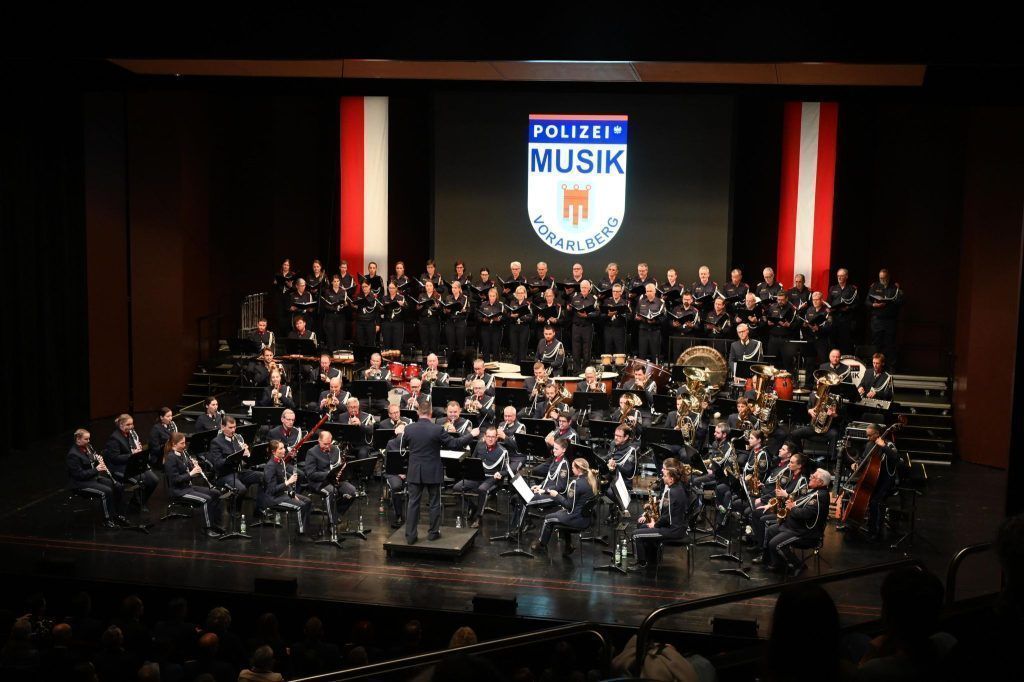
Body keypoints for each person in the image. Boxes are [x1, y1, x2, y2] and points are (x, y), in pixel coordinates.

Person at [401, 401, 476, 544]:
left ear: (418, 412)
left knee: (413, 503)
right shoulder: (437, 429)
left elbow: (403, 446)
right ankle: (433, 533)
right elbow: (455, 444)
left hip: (415, 471)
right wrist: (471, 434)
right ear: (431, 413)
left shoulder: (409, 429)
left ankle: (410, 536)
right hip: (433, 471)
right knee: (434, 503)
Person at [756, 468, 831, 575]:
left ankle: (797, 565)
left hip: (804, 532)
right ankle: (777, 563)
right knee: (771, 530)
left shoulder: (820, 496)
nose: (810, 477)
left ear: (820, 482)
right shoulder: (815, 491)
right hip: (794, 526)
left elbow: (805, 514)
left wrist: (792, 508)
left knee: (775, 544)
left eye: (813, 477)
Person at [630, 458, 691, 569]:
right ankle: (651, 558)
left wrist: (655, 524)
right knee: (642, 526)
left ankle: (642, 564)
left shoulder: (673, 492)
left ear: (671, 479)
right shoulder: (675, 487)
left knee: (636, 534)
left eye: (665, 475)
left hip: (673, 531)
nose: (662, 476)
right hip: (674, 527)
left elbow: (667, 517)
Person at [531, 457, 597, 554]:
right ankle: (568, 545)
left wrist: (556, 495)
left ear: (578, 470)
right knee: (559, 512)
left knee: (547, 519)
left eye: (573, 468)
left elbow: (568, 505)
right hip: (586, 519)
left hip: (575, 519)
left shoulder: (576, 484)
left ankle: (542, 545)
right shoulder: (591, 481)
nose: (571, 470)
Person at [163, 432, 223, 537]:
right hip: (179, 491)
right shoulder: (171, 458)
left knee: (216, 493)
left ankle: (215, 524)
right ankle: (207, 528)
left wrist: (193, 466)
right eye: (182, 443)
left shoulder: (182, 454)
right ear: (174, 444)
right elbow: (175, 480)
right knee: (206, 500)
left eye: (184, 443)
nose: (184, 445)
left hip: (188, 487)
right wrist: (191, 473)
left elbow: (187, 470)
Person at [453, 426, 511, 527]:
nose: (490, 438)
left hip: (492, 478)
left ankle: (478, 517)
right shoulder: (479, 446)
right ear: (485, 436)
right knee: (457, 488)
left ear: (497, 437)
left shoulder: (503, 451)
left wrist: (501, 474)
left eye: (493, 436)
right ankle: (473, 506)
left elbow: (507, 470)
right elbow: (472, 461)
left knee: (482, 489)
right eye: (488, 436)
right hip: (477, 476)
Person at [67, 428, 125, 526]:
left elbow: (92, 461)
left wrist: (99, 460)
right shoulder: (73, 455)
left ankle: (115, 513)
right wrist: (96, 469)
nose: (88, 441)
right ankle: (107, 520)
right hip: (81, 483)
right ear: (78, 439)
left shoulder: (88, 447)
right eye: (86, 439)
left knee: (116, 485)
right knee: (106, 491)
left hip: (93, 478)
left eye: (89, 439)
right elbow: (79, 475)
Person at [207, 416, 263, 513]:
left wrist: (247, 454)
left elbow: (248, 462)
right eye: (230, 427)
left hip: (240, 471)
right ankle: (233, 508)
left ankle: (259, 508)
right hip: (225, 474)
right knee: (241, 489)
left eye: (235, 427)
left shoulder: (238, 438)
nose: (233, 430)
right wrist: (234, 456)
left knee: (264, 477)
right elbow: (217, 464)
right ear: (223, 427)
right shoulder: (216, 442)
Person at [103, 413, 159, 509]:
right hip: (120, 467)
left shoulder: (131, 434)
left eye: (132, 424)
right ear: (121, 425)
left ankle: (139, 502)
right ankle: (136, 505)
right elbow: (115, 458)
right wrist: (132, 455)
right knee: (143, 481)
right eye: (128, 425)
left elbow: (132, 448)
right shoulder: (114, 438)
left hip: (132, 463)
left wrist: (138, 448)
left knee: (154, 480)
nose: (131, 427)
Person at [304, 431, 354, 530]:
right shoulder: (311, 452)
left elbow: (339, 466)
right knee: (331, 491)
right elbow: (310, 474)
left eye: (329, 443)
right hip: (318, 482)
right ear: (319, 441)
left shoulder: (335, 449)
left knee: (352, 491)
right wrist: (328, 474)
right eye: (325, 444)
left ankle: (336, 513)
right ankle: (333, 524)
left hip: (335, 480)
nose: (327, 446)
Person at [260, 440, 311, 536]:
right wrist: (288, 482)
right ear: (274, 452)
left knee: (307, 501)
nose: (284, 450)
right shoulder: (270, 467)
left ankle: (304, 528)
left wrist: (292, 494)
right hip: (273, 499)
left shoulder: (281, 461)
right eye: (281, 448)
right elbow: (271, 490)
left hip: (282, 494)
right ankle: (301, 533)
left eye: (284, 448)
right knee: (301, 506)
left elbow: (284, 482)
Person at [868, 268, 904, 370]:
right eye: (880, 278)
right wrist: (874, 304)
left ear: (888, 277)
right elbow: (867, 302)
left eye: (884, 278)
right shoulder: (874, 286)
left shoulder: (894, 287)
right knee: (876, 344)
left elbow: (901, 302)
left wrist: (891, 301)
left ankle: (890, 366)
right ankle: (874, 366)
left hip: (890, 320)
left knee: (890, 344)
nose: (882, 279)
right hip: (877, 320)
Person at [827, 267, 858, 354]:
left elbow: (856, 304)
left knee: (845, 344)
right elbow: (829, 302)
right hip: (835, 319)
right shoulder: (833, 288)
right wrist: (828, 309)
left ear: (846, 276)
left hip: (846, 319)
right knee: (833, 343)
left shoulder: (852, 289)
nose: (839, 278)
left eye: (841, 276)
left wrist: (848, 308)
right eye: (838, 276)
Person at [569, 279, 598, 369]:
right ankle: (576, 372)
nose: (584, 289)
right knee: (576, 351)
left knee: (586, 351)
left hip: (587, 327)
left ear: (589, 288)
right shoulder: (575, 298)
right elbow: (571, 312)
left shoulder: (593, 298)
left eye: (586, 287)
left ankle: (587, 371)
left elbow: (597, 313)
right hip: (576, 327)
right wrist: (569, 309)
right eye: (582, 287)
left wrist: (587, 315)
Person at [635, 283, 665, 361]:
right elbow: (636, 315)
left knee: (655, 356)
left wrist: (655, 321)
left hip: (655, 332)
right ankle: (641, 372)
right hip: (643, 331)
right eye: (647, 291)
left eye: (651, 291)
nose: (649, 293)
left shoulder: (660, 302)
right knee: (642, 355)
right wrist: (637, 318)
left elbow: (664, 318)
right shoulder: (641, 302)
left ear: (655, 291)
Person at [321, 274, 349, 351]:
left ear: (340, 282)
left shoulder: (343, 291)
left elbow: (345, 304)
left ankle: (338, 353)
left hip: (340, 317)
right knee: (330, 336)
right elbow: (326, 305)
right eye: (334, 281)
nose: (336, 283)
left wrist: (346, 305)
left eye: (338, 281)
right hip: (330, 317)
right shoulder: (327, 292)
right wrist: (334, 308)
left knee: (340, 336)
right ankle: (330, 353)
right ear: (332, 282)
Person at [476, 286, 505, 362]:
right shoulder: (484, 304)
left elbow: (504, 317)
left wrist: (499, 319)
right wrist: (483, 319)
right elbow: (478, 316)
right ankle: (486, 366)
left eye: (493, 296)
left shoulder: (500, 305)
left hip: (497, 329)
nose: (492, 298)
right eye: (490, 296)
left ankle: (496, 365)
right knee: (486, 348)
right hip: (485, 328)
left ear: (496, 296)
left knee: (496, 349)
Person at [507, 285, 534, 363]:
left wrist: (520, 316)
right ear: (516, 294)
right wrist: (511, 316)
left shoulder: (528, 304)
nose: (520, 295)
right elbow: (508, 315)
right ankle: (514, 368)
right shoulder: (512, 302)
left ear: (525, 294)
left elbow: (530, 317)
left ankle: (522, 369)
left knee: (522, 349)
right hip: (514, 327)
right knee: (514, 349)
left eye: (522, 293)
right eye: (518, 293)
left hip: (524, 327)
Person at [601, 282, 630, 355]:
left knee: (620, 353)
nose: (615, 293)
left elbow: (629, 317)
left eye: (617, 291)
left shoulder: (624, 303)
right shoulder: (606, 302)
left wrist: (618, 314)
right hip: (608, 329)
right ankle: (608, 367)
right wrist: (608, 315)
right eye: (614, 291)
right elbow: (601, 316)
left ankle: (620, 367)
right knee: (607, 353)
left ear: (620, 292)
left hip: (619, 330)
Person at [443, 280, 470, 354]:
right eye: (452, 288)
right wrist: (445, 311)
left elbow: (468, 310)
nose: (453, 289)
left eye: (455, 288)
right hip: (450, 322)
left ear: (459, 288)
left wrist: (464, 310)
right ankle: (450, 363)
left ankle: (462, 364)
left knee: (461, 345)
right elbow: (445, 309)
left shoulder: (464, 298)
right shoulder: (448, 297)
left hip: (460, 322)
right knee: (450, 345)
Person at [416, 279, 443, 355]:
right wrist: (419, 307)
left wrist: (437, 307)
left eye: (430, 285)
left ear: (433, 286)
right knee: (424, 341)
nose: (428, 287)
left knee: (434, 341)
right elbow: (417, 309)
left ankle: (434, 361)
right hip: (423, 321)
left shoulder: (437, 295)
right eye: (427, 286)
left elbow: (441, 310)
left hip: (434, 321)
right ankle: (425, 360)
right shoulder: (421, 295)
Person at [380, 280, 407, 351]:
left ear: (396, 288)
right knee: (386, 344)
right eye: (389, 288)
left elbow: (407, 310)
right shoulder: (384, 298)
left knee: (397, 344)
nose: (391, 290)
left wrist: (403, 305)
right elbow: (381, 311)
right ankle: (387, 361)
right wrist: (383, 307)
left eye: (393, 288)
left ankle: (397, 361)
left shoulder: (401, 298)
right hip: (387, 322)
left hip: (398, 323)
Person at [354, 280, 381, 347]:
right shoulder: (358, 296)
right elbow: (355, 309)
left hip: (370, 323)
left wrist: (377, 324)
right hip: (360, 323)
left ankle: (371, 357)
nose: (364, 288)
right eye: (363, 287)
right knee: (360, 343)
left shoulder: (374, 297)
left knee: (371, 343)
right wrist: (353, 306)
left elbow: (377, 312)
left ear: (369, 286)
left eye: (366, 286)